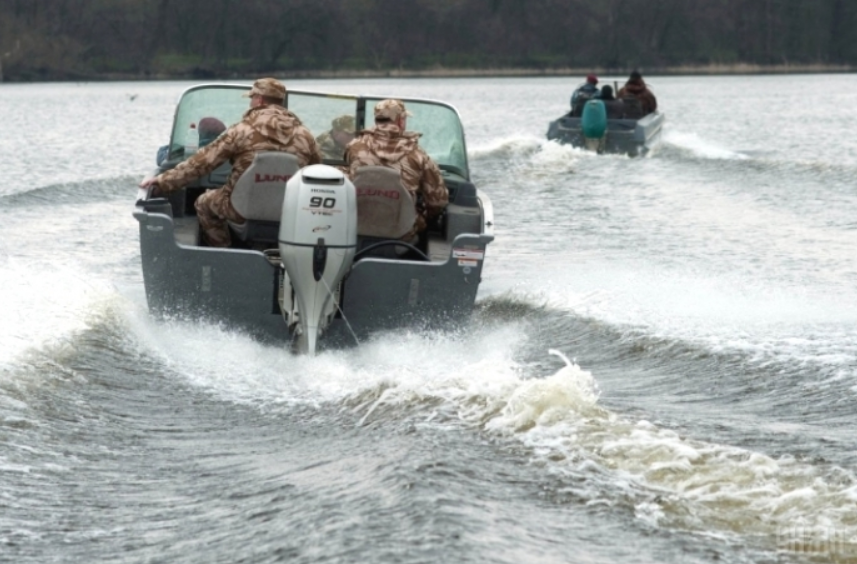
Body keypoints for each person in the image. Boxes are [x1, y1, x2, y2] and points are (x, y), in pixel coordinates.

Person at [139, 77, 322, 248]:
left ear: (259, 100)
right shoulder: (305, 135)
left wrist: (162, 181)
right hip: (289, 213)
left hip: (239, 210)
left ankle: (224, 254)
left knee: (203, 203)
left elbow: (201, 164)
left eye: (251, 99)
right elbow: (318, 173)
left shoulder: (241, 131)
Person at [344, 99, 448, 242]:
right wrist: (426, 216)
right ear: (400, 121)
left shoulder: (354, 147)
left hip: (356, 229)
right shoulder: (417, 154)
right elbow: (438, 201)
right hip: (402, 235)